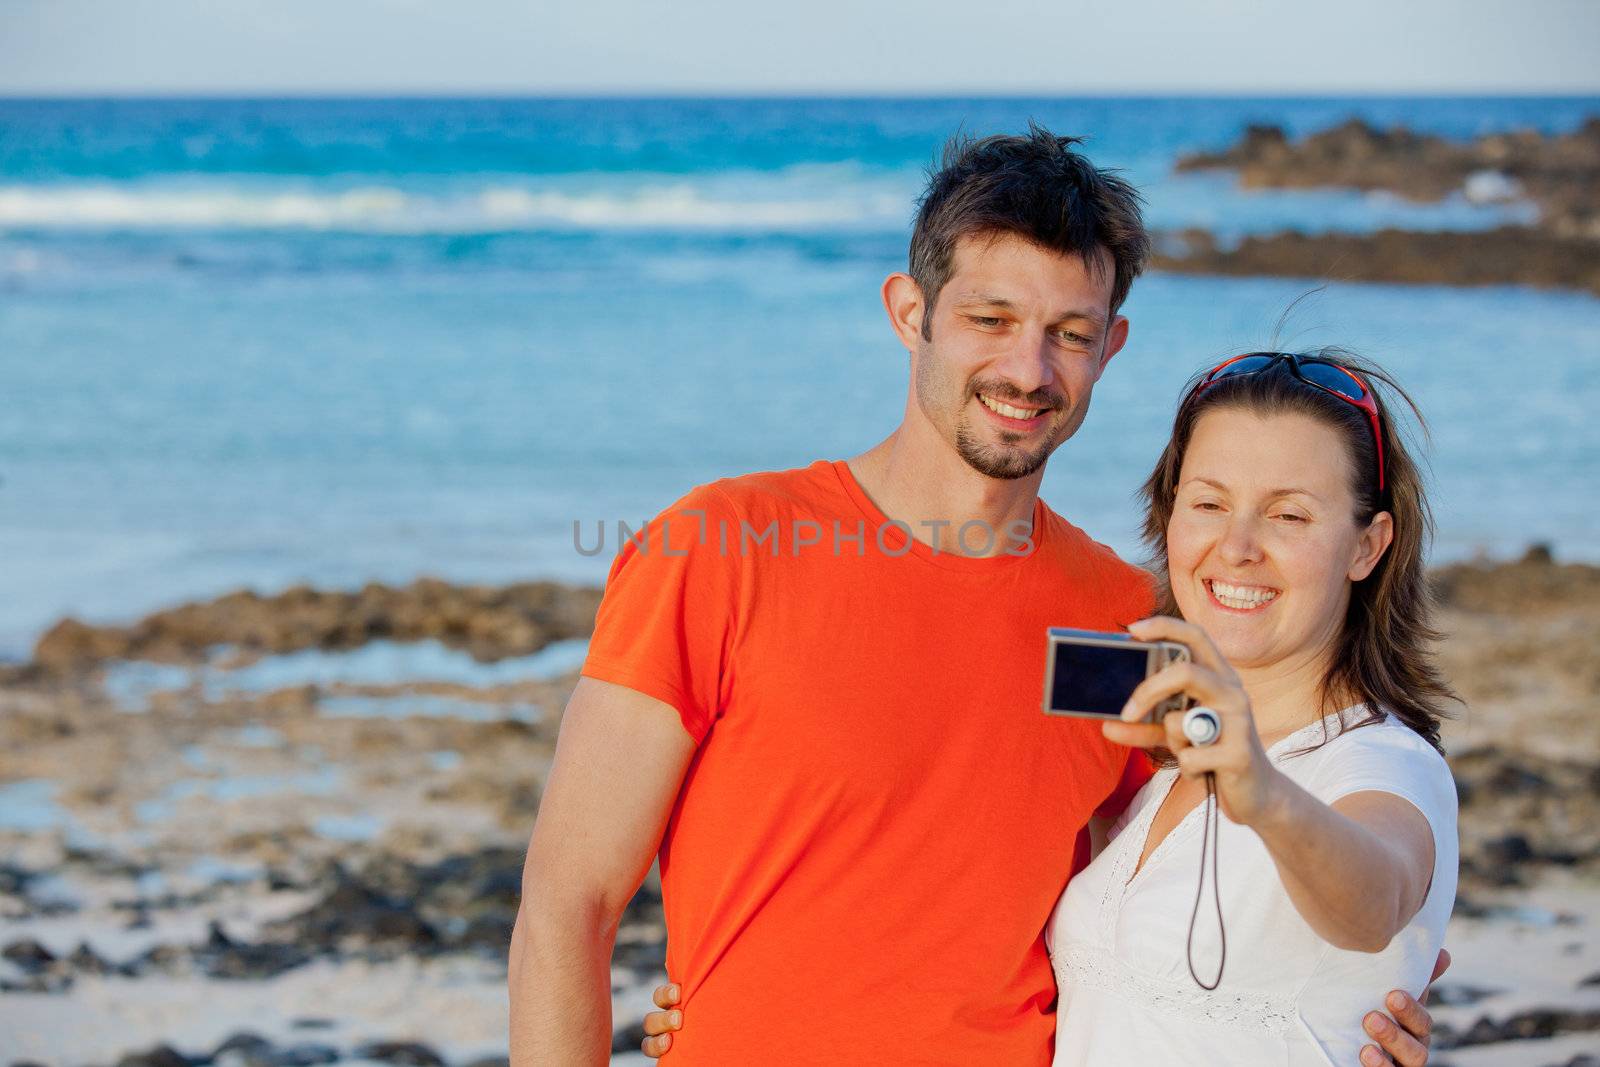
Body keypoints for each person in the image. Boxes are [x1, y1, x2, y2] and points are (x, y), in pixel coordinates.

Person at [508, 127, 1441, 1066]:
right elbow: (564, 907)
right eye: (989, 320)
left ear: (1110, 347)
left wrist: (1358, 998)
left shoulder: (1128, 623)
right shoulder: (719, 550)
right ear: (909, 312)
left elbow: (1204, 865)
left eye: (1070, 334)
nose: (1028, 371)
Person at [634, 351, 1459, 1066]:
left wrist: (1263, 791)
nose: (1237, 545)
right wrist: (736, 1002)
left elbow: (1376, 897)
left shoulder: (1383, 763)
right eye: (1208, 502)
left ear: (1367, 544)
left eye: (1290, 514)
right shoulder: (1160, 767)